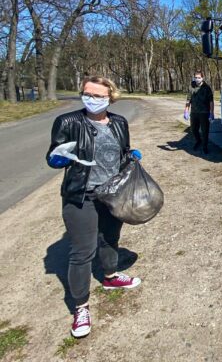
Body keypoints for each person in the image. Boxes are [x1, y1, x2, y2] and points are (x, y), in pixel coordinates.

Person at [46, 76, 142, 338]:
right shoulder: (68, 122)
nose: (92, 99)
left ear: (110, 97)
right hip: (81, 195)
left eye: (98, 96)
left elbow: (122, 150)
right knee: (83, 252)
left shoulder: (120, 122)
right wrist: (56, 159)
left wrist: (130, 156)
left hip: (112, 193)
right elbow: (54, 153)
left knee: (110, 238)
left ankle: (110, 277)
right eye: (87, 93)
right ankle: (81, 307)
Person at [184, 70, 214, 153]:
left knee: (205, 131)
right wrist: (186, 111)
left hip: (204, 113)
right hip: (194, 112)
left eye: (199, 77)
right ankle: (198, 141)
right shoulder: (191, 87)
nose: (197, 79)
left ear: (202, 78)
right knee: (193, 129)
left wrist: (211, 113)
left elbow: (211, 101)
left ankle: (205, 146)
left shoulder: (207, 88)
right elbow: (188, 100)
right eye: (196, 77)